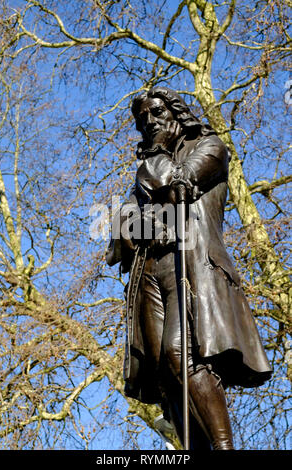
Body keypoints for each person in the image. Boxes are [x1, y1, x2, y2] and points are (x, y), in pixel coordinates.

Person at [106, 87, 272, 450]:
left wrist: (158, 157)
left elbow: (175, 182)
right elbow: (121, 229)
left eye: (155, 113)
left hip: (191, 267)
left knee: (180, 352)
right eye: (141, 119)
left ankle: (223, 446)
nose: (149, 123)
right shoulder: (150, 163)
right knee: (164, 373)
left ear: (176, 113)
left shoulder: (209, 147)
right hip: (148, 270)